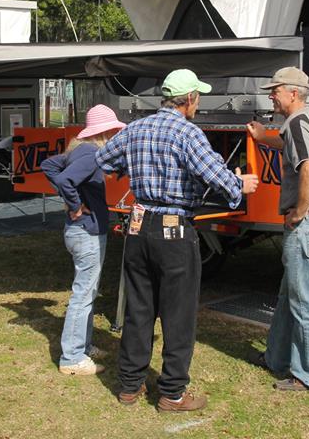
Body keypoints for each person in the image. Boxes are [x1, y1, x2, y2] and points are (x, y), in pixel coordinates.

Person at [96, 69, 260, 412]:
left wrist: (131, 169)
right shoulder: (188, 133)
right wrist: (240, 184)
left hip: (138, 228)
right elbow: (217, 176)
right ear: (188, 100)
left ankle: (129, 386)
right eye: (197, 97)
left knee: (139, 309)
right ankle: (171, 393)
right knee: (178, 314)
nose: (197, 103)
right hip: (174, 230)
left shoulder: (136, 129)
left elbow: (103, 161)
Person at [246, 66, 309, 392]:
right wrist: (262, 136)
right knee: (287, 298)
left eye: (275, 90)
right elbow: (289, 146)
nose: (271, 95)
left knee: (303, 304)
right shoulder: (308, 121)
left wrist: (299, 211)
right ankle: (276, 359)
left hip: (306, 225)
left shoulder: (296, 123)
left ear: (292, 93)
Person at [41, 104, 126, 376]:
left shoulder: (79, 149)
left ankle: (84, 345)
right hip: (86, 231)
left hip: (80, 231)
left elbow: (48, 165)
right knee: (83, 295)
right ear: (104, 133)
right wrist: (76, 205)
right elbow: (65, 179)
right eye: (113, 131)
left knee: (87, 291)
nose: (115, 136)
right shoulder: (91, 154)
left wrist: (72, 203)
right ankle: (72, 357)